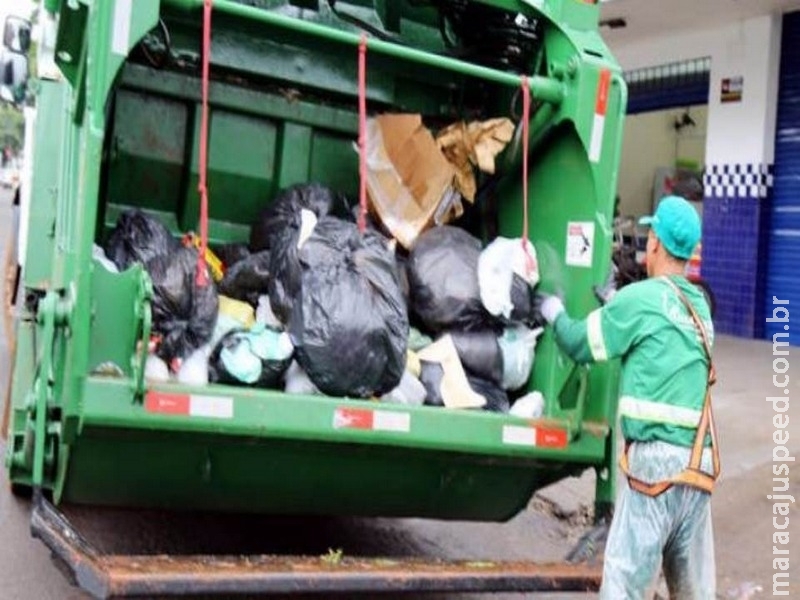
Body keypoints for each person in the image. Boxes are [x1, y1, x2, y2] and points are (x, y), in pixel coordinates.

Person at [535, 195, 719, 599]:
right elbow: (664, 341)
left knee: (624, 586)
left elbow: (581, 344)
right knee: (693, 592)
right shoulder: (700, 309)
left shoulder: (639, 300)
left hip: (655, 468)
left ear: (654, 243)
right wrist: (619, 308)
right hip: (698, 466)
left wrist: (553, 312)